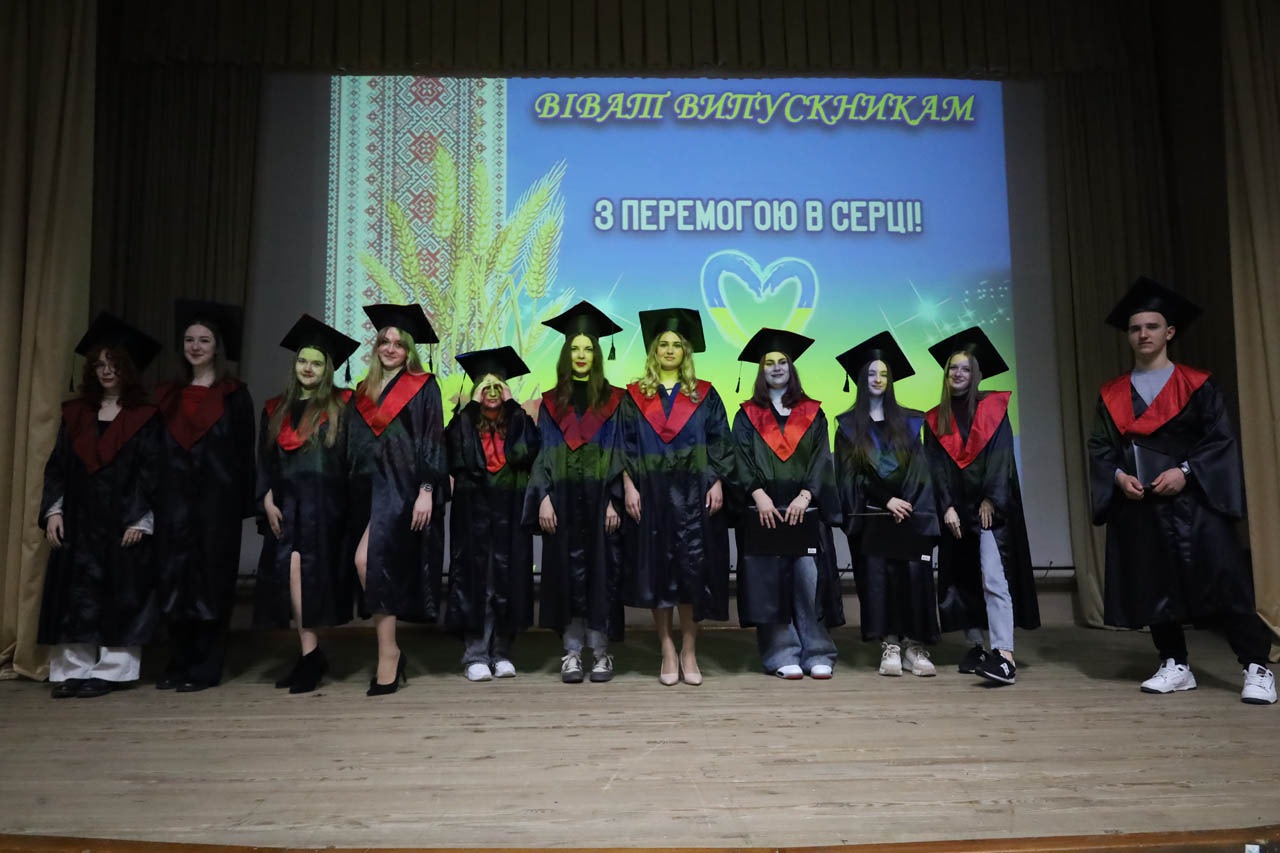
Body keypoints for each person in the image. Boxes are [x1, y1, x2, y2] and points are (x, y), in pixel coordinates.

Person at [1088, 276, 1275, 705]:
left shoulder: (1197, 384)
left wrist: (1187, 472)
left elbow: (1219, 440)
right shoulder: (1112, 394)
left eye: (1152, 327)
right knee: (1154, 583)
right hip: (1141, 502)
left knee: (1225, 580)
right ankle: (1175, 663)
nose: (1143, 334)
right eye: (1135, 328)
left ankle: (1257, 667)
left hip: (1195, 501)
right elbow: (1100, 447)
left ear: (1169, 332)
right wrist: (1117, 478)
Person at [39, 313, 162, 699]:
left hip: (122, 518)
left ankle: (111, 671)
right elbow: (58, 466)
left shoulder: (145, 418)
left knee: (120, 593)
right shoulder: (76, 414)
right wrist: (54, 510)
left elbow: (152, 472)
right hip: (78, 518)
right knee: (75, 594)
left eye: (114, 364)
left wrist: (141, 518)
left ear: (128, 369)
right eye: (100, 365)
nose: (107, 371)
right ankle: (73, 669)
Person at [618, 307, 733, 686]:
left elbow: (720, 442)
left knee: (691, 572)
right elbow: (623, 445)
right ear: (654, 351)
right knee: (658, 573)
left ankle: (689, 649)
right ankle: (667, 648)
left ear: (686, 351)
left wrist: (716, 480)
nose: (669, 350)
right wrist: (629, 486)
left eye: (676, 345)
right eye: (663, 344)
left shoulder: (705, 395)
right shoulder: (635, 396)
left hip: (694, 497)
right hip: (651, 495)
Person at [924, 326, 1039, 685]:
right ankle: (975, 645)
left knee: (993, 577)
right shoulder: (935, 418)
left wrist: (991, 497)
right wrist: (946, 507)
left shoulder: (994, 408)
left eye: (965, 369)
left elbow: (1002, 457)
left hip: (989, 509)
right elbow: (936, 467)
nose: (957, 374)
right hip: (956, 511)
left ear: (976, 375)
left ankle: (1004, 654)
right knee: (962, 577)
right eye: (952, 368)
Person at [253, 315, 360, 694]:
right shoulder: (275, 409)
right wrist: (265, 497)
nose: (308, 368)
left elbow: (352, 458)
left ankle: (310, 657)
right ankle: (309, 656)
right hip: (286, 505)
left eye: (316, 362)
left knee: (307, 580)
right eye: (302, 361)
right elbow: (265, 460)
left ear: (328, 368)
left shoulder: (343, 405)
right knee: (292, 578)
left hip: (325, 508)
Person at [153, 300, 256, 692]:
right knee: (175, 580)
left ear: (217, 348)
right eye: (189, 340)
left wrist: (240, 506)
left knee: (211, 584)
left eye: (204, 340)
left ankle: (206, 666)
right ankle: (178, 661)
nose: (195, 346)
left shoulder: (234, 395)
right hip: (173, 506)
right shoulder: (167, 396)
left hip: (217, 508)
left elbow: (244, 453)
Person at [524, 301, 627, 684]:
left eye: (588, 349)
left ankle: (601, 654)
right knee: (566, 577)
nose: (581, 355)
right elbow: (543, 453)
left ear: (596, 354)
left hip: (601, 503)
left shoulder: (614, 401)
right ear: (566, 354)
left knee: (601, 576)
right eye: (574, 348)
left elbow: (622, 452)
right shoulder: (552, 403)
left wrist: (615, 498)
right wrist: (543, 497)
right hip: (563, 502)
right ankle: (570, 653)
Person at [730, 328, 843, 679]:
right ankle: (781, 653)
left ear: (791, 368)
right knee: (771, 583)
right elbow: (739, 459)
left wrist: (806, 495)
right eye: (769, 363)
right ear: (761, 370)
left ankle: (818, 651)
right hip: (763, 512)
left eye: (782, 362)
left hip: (803, 511)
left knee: (809, 581)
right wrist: (758, 495)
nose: (777, 367)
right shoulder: (747, 415)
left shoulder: (813, 413)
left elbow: (822, 459)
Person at [348, 303, 446, 696]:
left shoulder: (424, 385)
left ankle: (388, 654)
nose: (391, 348)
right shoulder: (363, 390)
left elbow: (432, 438)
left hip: (402, 488)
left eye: (399, 343)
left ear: (409, 350)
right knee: (372, 566)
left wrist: (427, 489)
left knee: (367, 561)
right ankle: (389, 650)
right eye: (385, 342)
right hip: (368, 489)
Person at [834, 331, 940, 677]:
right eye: (870, 373)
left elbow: (920, 471)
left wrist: (907, 505)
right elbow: (849, 478)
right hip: (872, 518)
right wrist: (886, 500)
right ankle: (890, 645)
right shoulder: (848, 427)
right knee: (879, 581)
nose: (877, 379)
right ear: (860, 379)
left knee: (913, 578)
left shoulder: (910, 422)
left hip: (908, 514)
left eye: (883, 373)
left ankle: (914, 646)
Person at [445, 347, 540, 682]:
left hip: (510, 514)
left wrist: (514, 407)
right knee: (477, 585)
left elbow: (524, 453)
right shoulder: (463, 423)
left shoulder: (518, 422)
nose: (492, 390)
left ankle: (501, 652)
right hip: (473, 517)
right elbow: (457, 457)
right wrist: (470, 407)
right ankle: (475, 655)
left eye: (498, 383)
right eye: (485, 384)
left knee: (506, 582)